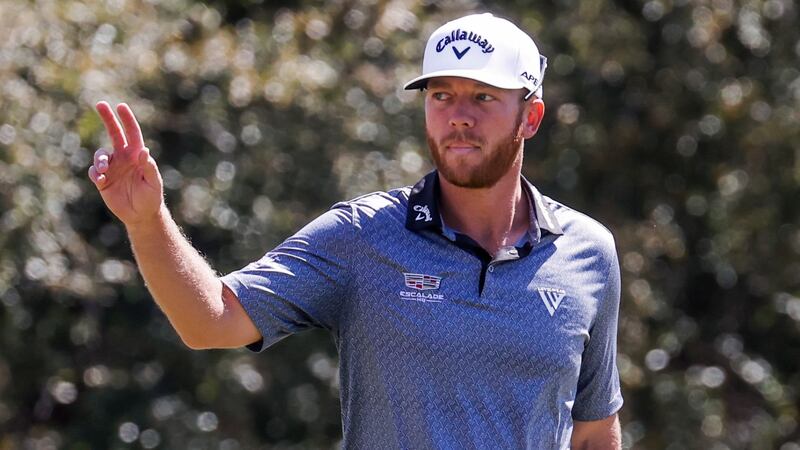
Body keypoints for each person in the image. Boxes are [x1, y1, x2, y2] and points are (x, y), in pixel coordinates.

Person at [88, 12, 623, 449]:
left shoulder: (588, 253)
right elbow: (210, 321)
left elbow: (595, 432)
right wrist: (147, 222)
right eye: (441, 96)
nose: (458, 116)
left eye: (483, 96)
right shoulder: (364, 236)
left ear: (530, 117)